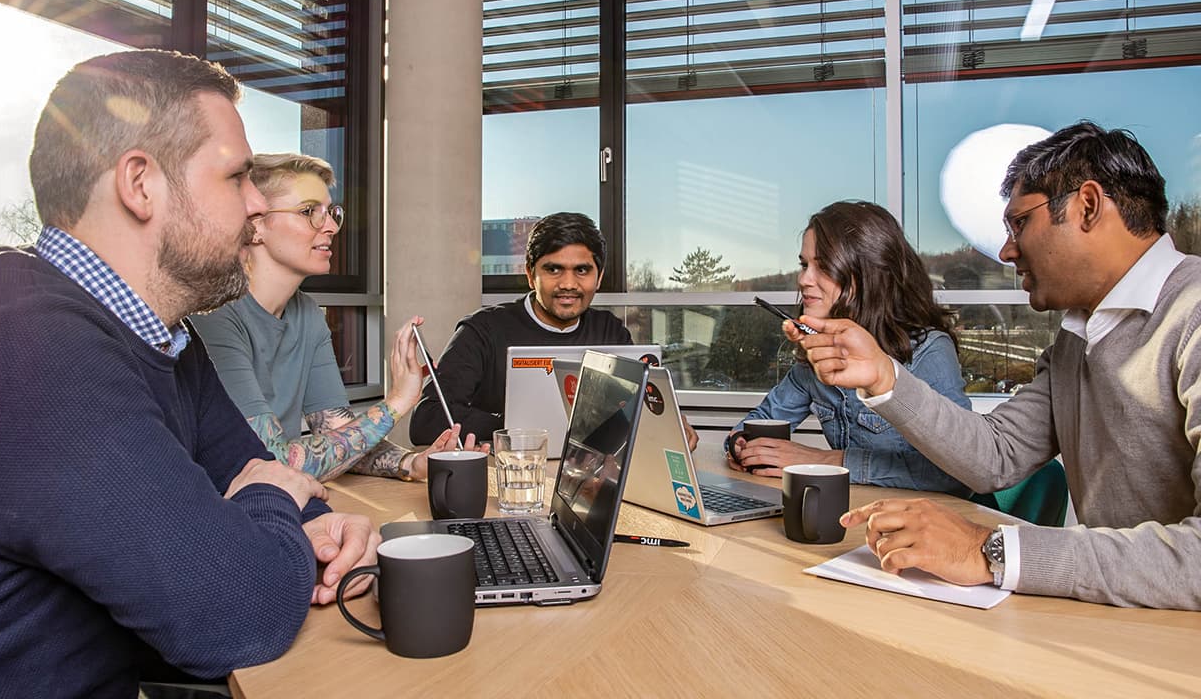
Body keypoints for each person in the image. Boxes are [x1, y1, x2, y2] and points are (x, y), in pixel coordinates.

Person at [0, 50, 382, 697]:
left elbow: (252, 480)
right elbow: (233, 612)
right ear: (141, 184)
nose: (257, 205)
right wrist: (275, 501)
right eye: (236, 178)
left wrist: (305, 526)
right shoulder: (22, 343)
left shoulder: (161, 333)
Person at [798, 121, 1201, 610]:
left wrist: (987, 550)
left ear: (1087, 206)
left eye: (1019, 223)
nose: (1007, 250)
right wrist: (885, 376)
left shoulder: (1192, 314)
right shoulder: (1079, 338)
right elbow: (997, 454)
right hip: (1120, 622)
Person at [193, 153, 472, 483]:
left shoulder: (307, 314)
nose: (331, 227)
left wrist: (411, 464)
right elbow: (269, 462)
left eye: (331, 213)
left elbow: (339, 435)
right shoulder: (213, 316)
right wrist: (397, 401)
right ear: (255, 224)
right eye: (309, 212)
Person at [726, 201, 972, 495]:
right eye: (804, 265)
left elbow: (955, 473)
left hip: (927, 523)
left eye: (824, 266)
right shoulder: (817, 354)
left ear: (868, 275)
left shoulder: (929, 352)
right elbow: (763, 420)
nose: (803, 279)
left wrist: (827, 461)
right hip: (856, 514)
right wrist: (740, 442)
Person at [410, 212, 699, 449]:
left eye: (582, 271)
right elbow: (427, 419)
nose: (568, 284)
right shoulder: (482, 330)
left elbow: (633, 417)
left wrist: (667, 428)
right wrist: (517, 430)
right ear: (529, 274)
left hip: (589, 483)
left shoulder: (610, 333)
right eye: (554, 270)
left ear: (598, 278)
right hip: (508, 481)